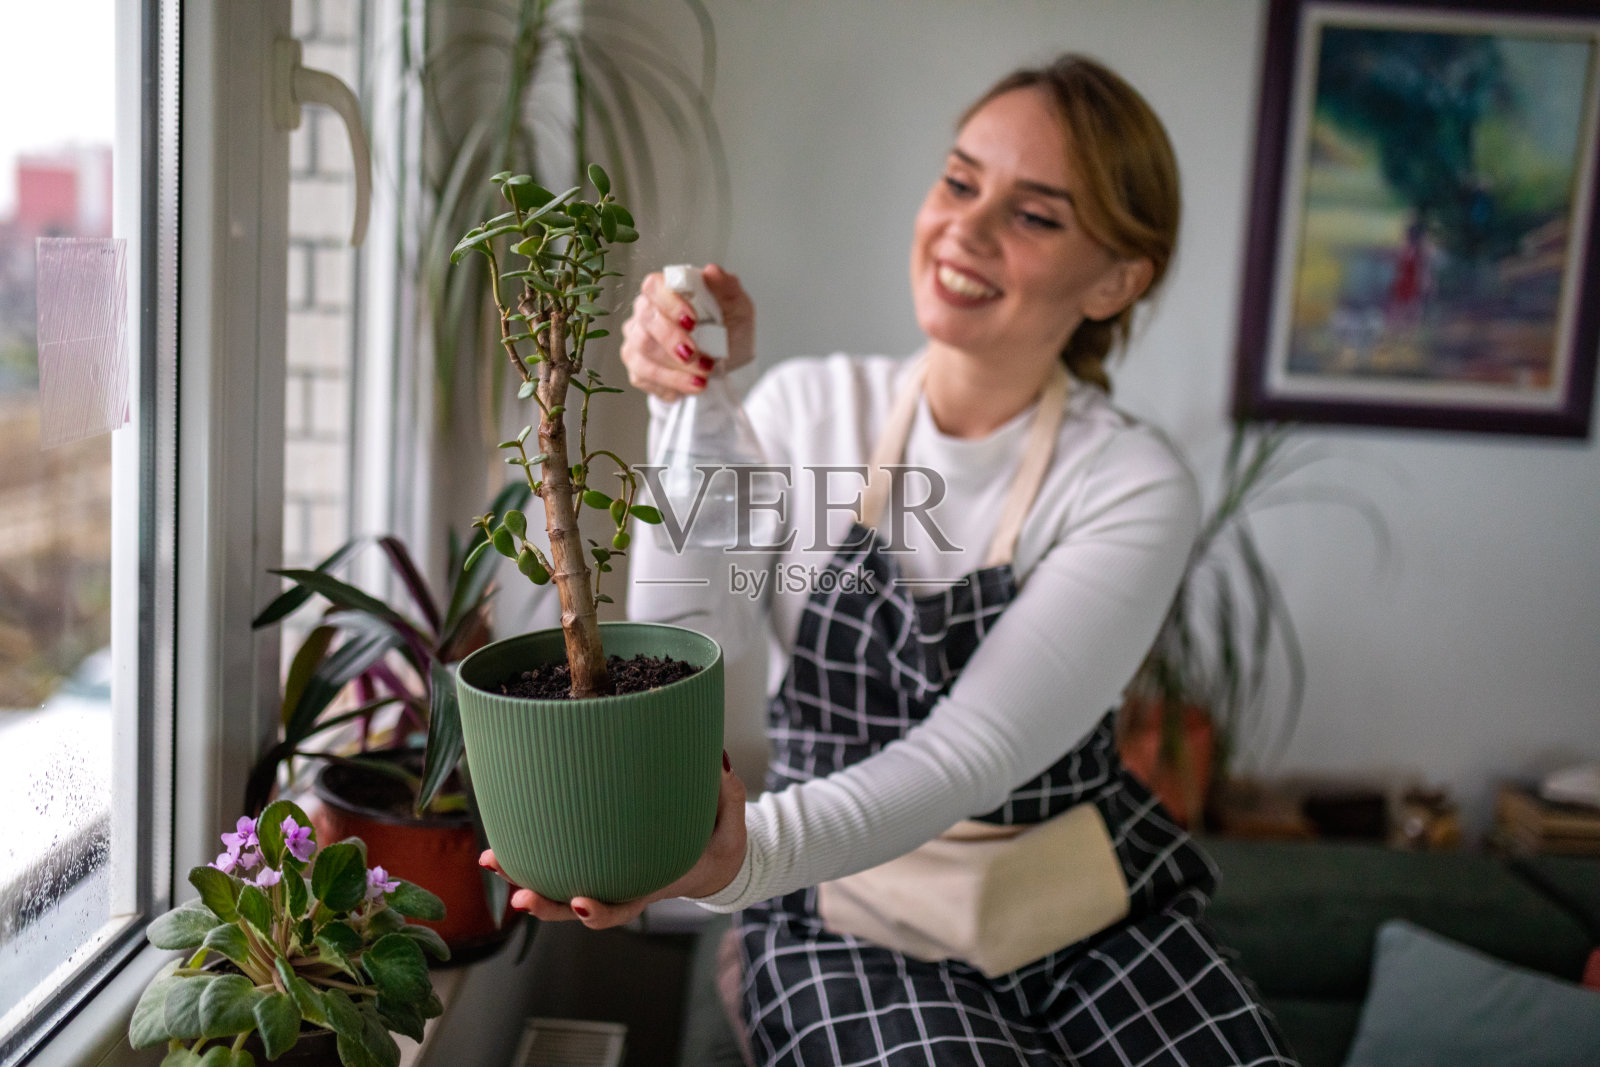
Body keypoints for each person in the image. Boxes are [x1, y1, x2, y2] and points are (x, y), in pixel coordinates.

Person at [483, 54, 1298, 1066]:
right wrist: (692, 410)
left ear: (1117, 277)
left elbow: (973, 754)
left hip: (1090, 922)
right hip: (844, 916)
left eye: (1034, 215)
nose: (967, 227)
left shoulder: (1126, 482)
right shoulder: (804, 409)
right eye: (960, 182)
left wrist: (743, 854)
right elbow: (688, 639)